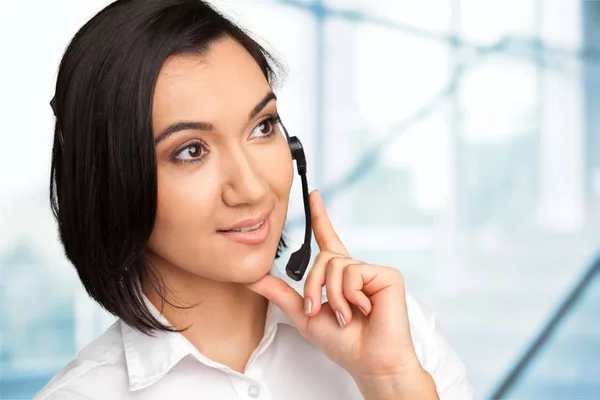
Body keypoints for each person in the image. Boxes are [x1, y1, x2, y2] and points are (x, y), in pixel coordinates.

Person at [35, 0, 475, 399]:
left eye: (262, 127)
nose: (251, 188)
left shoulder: (399, 337)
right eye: (191, 150)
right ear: (112, 185)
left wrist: (391, 382)